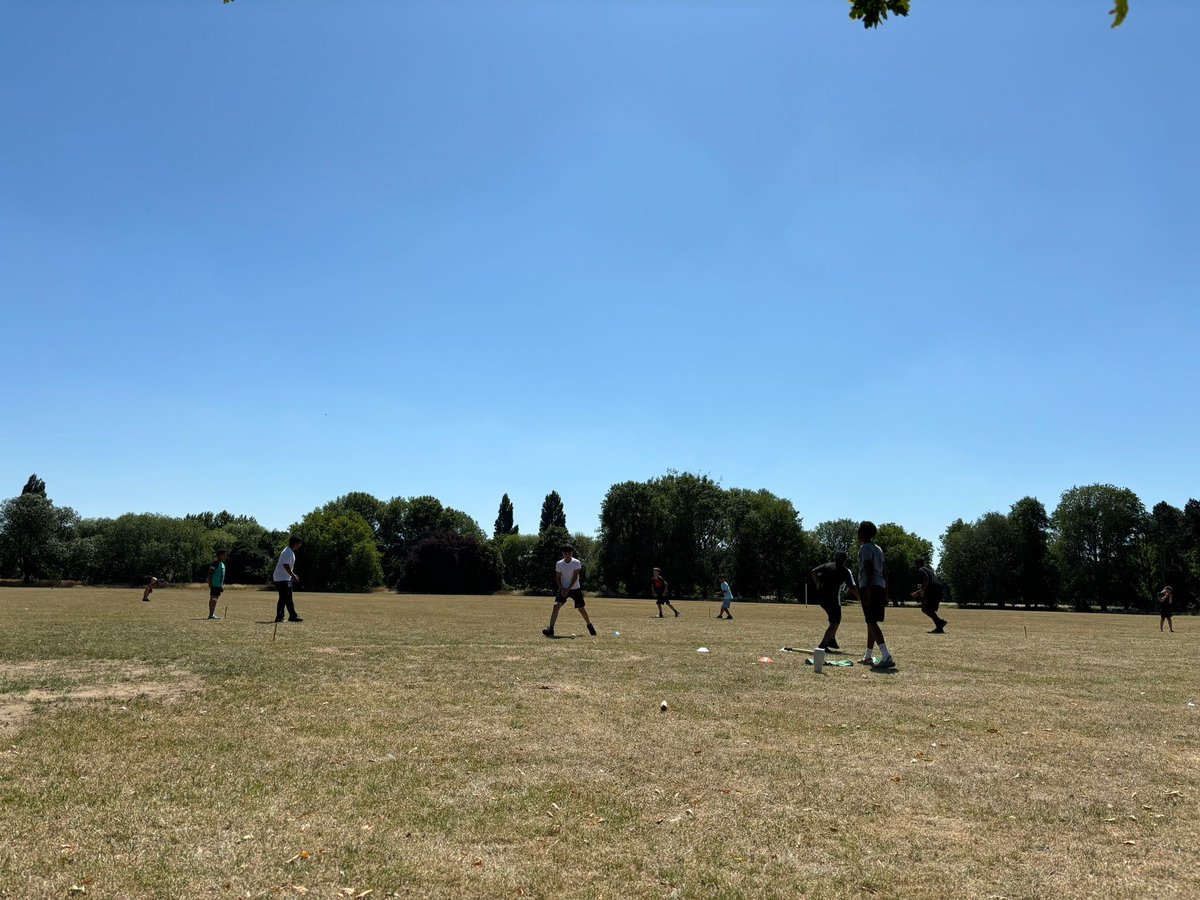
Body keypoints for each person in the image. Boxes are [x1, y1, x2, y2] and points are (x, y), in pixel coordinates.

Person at [857, 521, 896, 670]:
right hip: (879, 586)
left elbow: (870, 570)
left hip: (870, 586)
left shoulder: (865, 548)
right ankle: (868, 656)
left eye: (859, 531)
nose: (857, 534)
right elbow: (885, 572)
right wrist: (886, 593)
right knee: (870, 621)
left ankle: (886, 655)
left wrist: (866, 592)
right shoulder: (878, 549)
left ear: (863, 533)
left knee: (871, 621)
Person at [543, 544, 596, 637]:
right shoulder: (559, 563)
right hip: (563, 588)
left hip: (575, 588)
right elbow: (558, 578)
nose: (567, 555)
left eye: (569, 553)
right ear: (563, 553)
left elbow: (575, 576)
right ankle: (551, 629)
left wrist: (568, 588)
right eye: (565, 553)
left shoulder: (576, 562)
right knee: (556, 606)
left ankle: (589, 625)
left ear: (572, 553)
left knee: (581, 609)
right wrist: (563, 588)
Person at [811, 552, 860, 650]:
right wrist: (860, 598)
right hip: (832, 599)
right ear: (844, 560)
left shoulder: (827, 566)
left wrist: (817, 583)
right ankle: (823, 645)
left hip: (821, 597)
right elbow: (852, 587)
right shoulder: (844, 571)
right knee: (834, 623)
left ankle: (832, 639)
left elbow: (813, 572)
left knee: (835, 618)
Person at [911, 558, 948, 633]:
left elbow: (926, 579)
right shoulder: (928, 569)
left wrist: (918, 592)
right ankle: (939, 626)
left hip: (932, 590)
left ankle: (940, 622)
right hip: (937, 589)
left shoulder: (921, 570)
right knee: (928, 609)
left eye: (915, 564)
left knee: (925, 609)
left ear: (918, 564)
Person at [272, 536, 303, 623]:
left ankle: (293, 616)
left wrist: (292, 576)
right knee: (283, 598)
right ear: (296, 543)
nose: (300, 545)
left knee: (288, 598)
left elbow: (288, 566)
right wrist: (293, 575)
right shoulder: (288, 552)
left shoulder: (289, 551)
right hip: (281, 578)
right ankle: (279, 617)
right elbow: (286, 565)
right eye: (299, 543)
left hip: (284, 578)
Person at [207, 549, 228, 620]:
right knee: (214, 598)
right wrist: (210, 583)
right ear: (219, 555)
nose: (225, 556)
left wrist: (222, 585)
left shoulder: (222, 564)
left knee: (215, 598)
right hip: (214, 585)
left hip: (219, 585)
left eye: (225, 555)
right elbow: (210, 573)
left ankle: (212, 614)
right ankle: (211, 615)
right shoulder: (215, 563)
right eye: (223, 555)